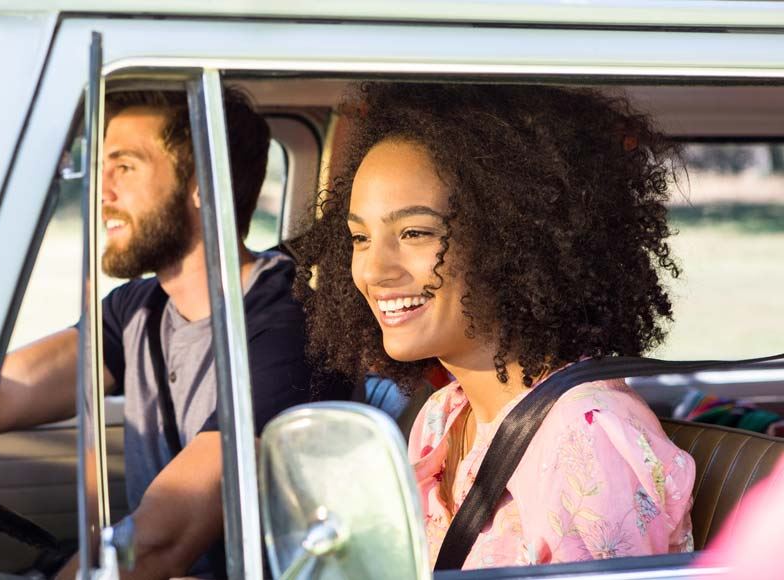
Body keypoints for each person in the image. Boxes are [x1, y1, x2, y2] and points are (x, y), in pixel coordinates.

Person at [293, 83, 695, 569]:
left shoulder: (585, 434)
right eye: (359, 237)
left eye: (415, 233)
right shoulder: (443, 416)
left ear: (513, 241)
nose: (374, 270)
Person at [0, 88, 348, 579]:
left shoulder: (291, 327)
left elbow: (161, 540)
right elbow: (1, 391)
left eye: (125, 167)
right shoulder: (138, 309)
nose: (101, 190)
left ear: (204, 183)